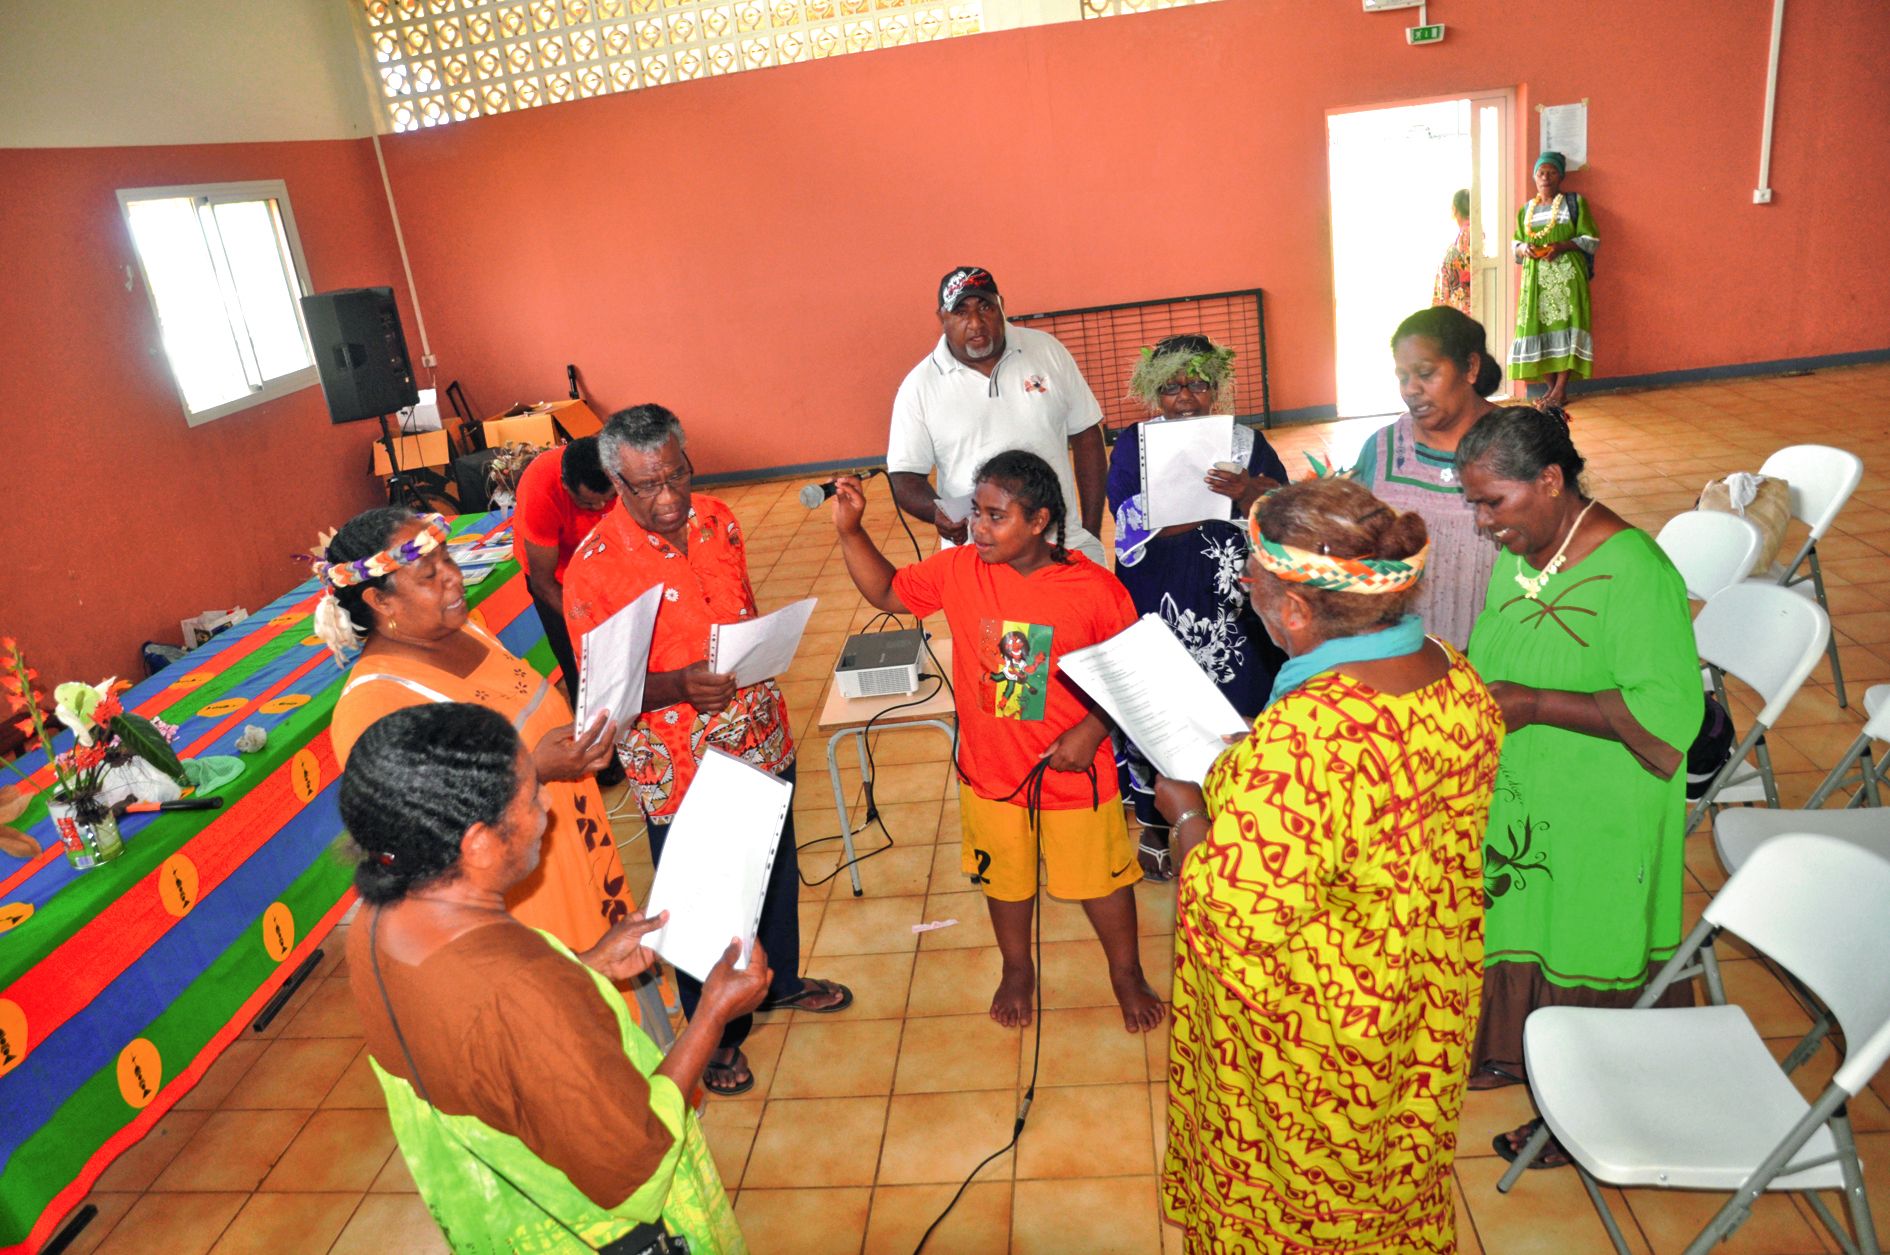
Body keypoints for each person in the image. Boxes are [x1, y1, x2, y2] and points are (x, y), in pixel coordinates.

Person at [1151, 478, 1504, 1253]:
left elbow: (1230, 916)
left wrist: (1187, 814)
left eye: (1252, 577)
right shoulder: (1455, 672)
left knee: (1305, 1204)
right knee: (1392, 1171)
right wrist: (1258, 761)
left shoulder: (1308, 740)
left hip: (1318, 1033)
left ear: (1297, 611)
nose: (1244, 586)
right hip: (1419, 998)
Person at [340, 701, 765, 1253]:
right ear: (478, 843)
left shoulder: (376, 924)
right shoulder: (523, 992)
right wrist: (711, 1015)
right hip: (602, 1233)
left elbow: (485, 1045)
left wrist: (588, 964)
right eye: (530, 795)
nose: (546, 803)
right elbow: (634, 1169)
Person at [563, 404, 852, 1096]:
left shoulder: (719, 519)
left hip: (756, 728)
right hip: (677, 757)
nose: (668, 497)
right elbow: (603, 694)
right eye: (647, 485)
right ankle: (714, 1033)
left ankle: (777, 978)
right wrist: (677, 685)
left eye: (677, 476)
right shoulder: (593, 570)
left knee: (774, 867)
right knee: (700, 899)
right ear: (616, 483)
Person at [830, 450, 1165, 1033]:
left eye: (995, 516)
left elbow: (1130, 672)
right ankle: (1016, 969)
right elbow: (886, 591)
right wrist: (851, 530)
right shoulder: (959, 569)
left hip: (1073, 775)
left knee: (1102, 880)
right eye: (976, 513)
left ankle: (1126, 972)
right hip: (991, 771)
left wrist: (1090, 730)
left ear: (1038, 521)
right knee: (1003, 879)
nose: (978, 528)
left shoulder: (1093, 587)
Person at [1456, 405, 1700, 1164]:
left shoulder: (1637, 572)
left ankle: (1592, 1107)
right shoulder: (1526, 550)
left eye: (1492, 502)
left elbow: (1669, 713)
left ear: (1551, 480)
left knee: (1584, 932)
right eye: (1474, 504)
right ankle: (1516, 1050)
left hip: (1603, 804)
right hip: (1530, 791)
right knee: (1523, 916)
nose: (1482, 522)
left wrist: (1533, 704)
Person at [318, 508, 637, 955]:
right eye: (429, 574)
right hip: (521, 910)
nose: (454, 577)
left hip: (580, 855)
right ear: (380, 601)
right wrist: (535, 771)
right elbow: (424, 842)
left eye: (448, 558)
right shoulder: (374, 705)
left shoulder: (470, 630)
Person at [1107, 333, 1286, 877]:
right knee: (1163, 705)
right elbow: (1129, 519)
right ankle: (1157, 821)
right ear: (1152, 391)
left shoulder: (1246, 443)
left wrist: (1248, 491)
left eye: (1199, 384)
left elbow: (1282, 513)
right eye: (1171, 388)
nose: (1185, 397)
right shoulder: (1133, 444)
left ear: (1218, 386)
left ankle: (1238, 813)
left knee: (1236, 699)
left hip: (1231, 603)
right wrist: (1211, 508)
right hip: (1159, 593)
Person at [886, 266, 1109, 564]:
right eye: (961, 312)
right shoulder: (919, 386)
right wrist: (935, 511)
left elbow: (1087, 434)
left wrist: (1090, 531)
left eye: (985, 307)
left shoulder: (1046, 351)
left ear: (1001, 305)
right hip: (977, 554)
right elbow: (905, 476)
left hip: (1060, 544)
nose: (975, 322)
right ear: (942, 317)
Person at [1350, 305, 1505, 648]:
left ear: (1471, 367)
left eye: (1425, 373)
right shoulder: (1383, 449)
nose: (1411, 389)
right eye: (1402, 377)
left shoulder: (1516, 446)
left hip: (1495, 652)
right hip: (1401, 651)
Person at [512, 436, 623, 787]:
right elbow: (543, 583)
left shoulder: (617, 466)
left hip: (602, 563)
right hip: (557, 579)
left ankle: (631, 737)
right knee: (582, 665)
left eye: (608, 498)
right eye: (588, 503)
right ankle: (599, 760)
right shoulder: (540, 488)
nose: (600, 507)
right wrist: (587, 626)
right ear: (565, 486)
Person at [1510, 152, 1598, 409]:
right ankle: (1550, 389)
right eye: (1541, 173)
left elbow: (1591, 239)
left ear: (1561, 177)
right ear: (1534, 177)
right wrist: (1524, 248)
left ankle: (1560, 390)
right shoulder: (1526, 210)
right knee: (1535, 328)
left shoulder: (1574, 203)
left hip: (1567, 281)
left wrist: (1562, 245)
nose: (1545, 178)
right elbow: (1515, 243)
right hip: (1536, 283)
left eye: (1552, 173)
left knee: (1568, 328)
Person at [1433, 187, 1474, 315]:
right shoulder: (1467, 232)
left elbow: (1468, 271)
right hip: (1457, 303)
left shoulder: (1468, 232)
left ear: (1454, 209)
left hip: (1462, 304)